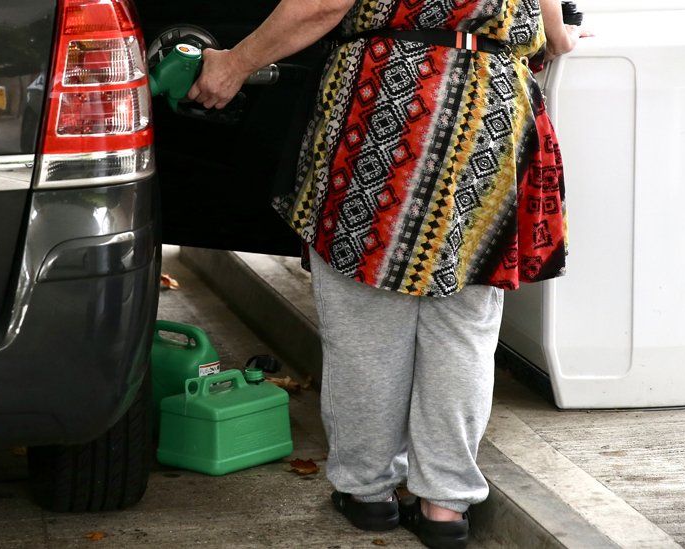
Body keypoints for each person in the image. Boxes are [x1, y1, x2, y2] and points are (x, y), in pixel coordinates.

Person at [189, 1, 585, 547]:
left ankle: (370, 492)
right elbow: (554, 31)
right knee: (463, 327)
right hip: (494, 110)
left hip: (394, 104)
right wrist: (553, 37)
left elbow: (323, 3)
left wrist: (235, 63)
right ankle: (446, 504)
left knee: (366, 322)